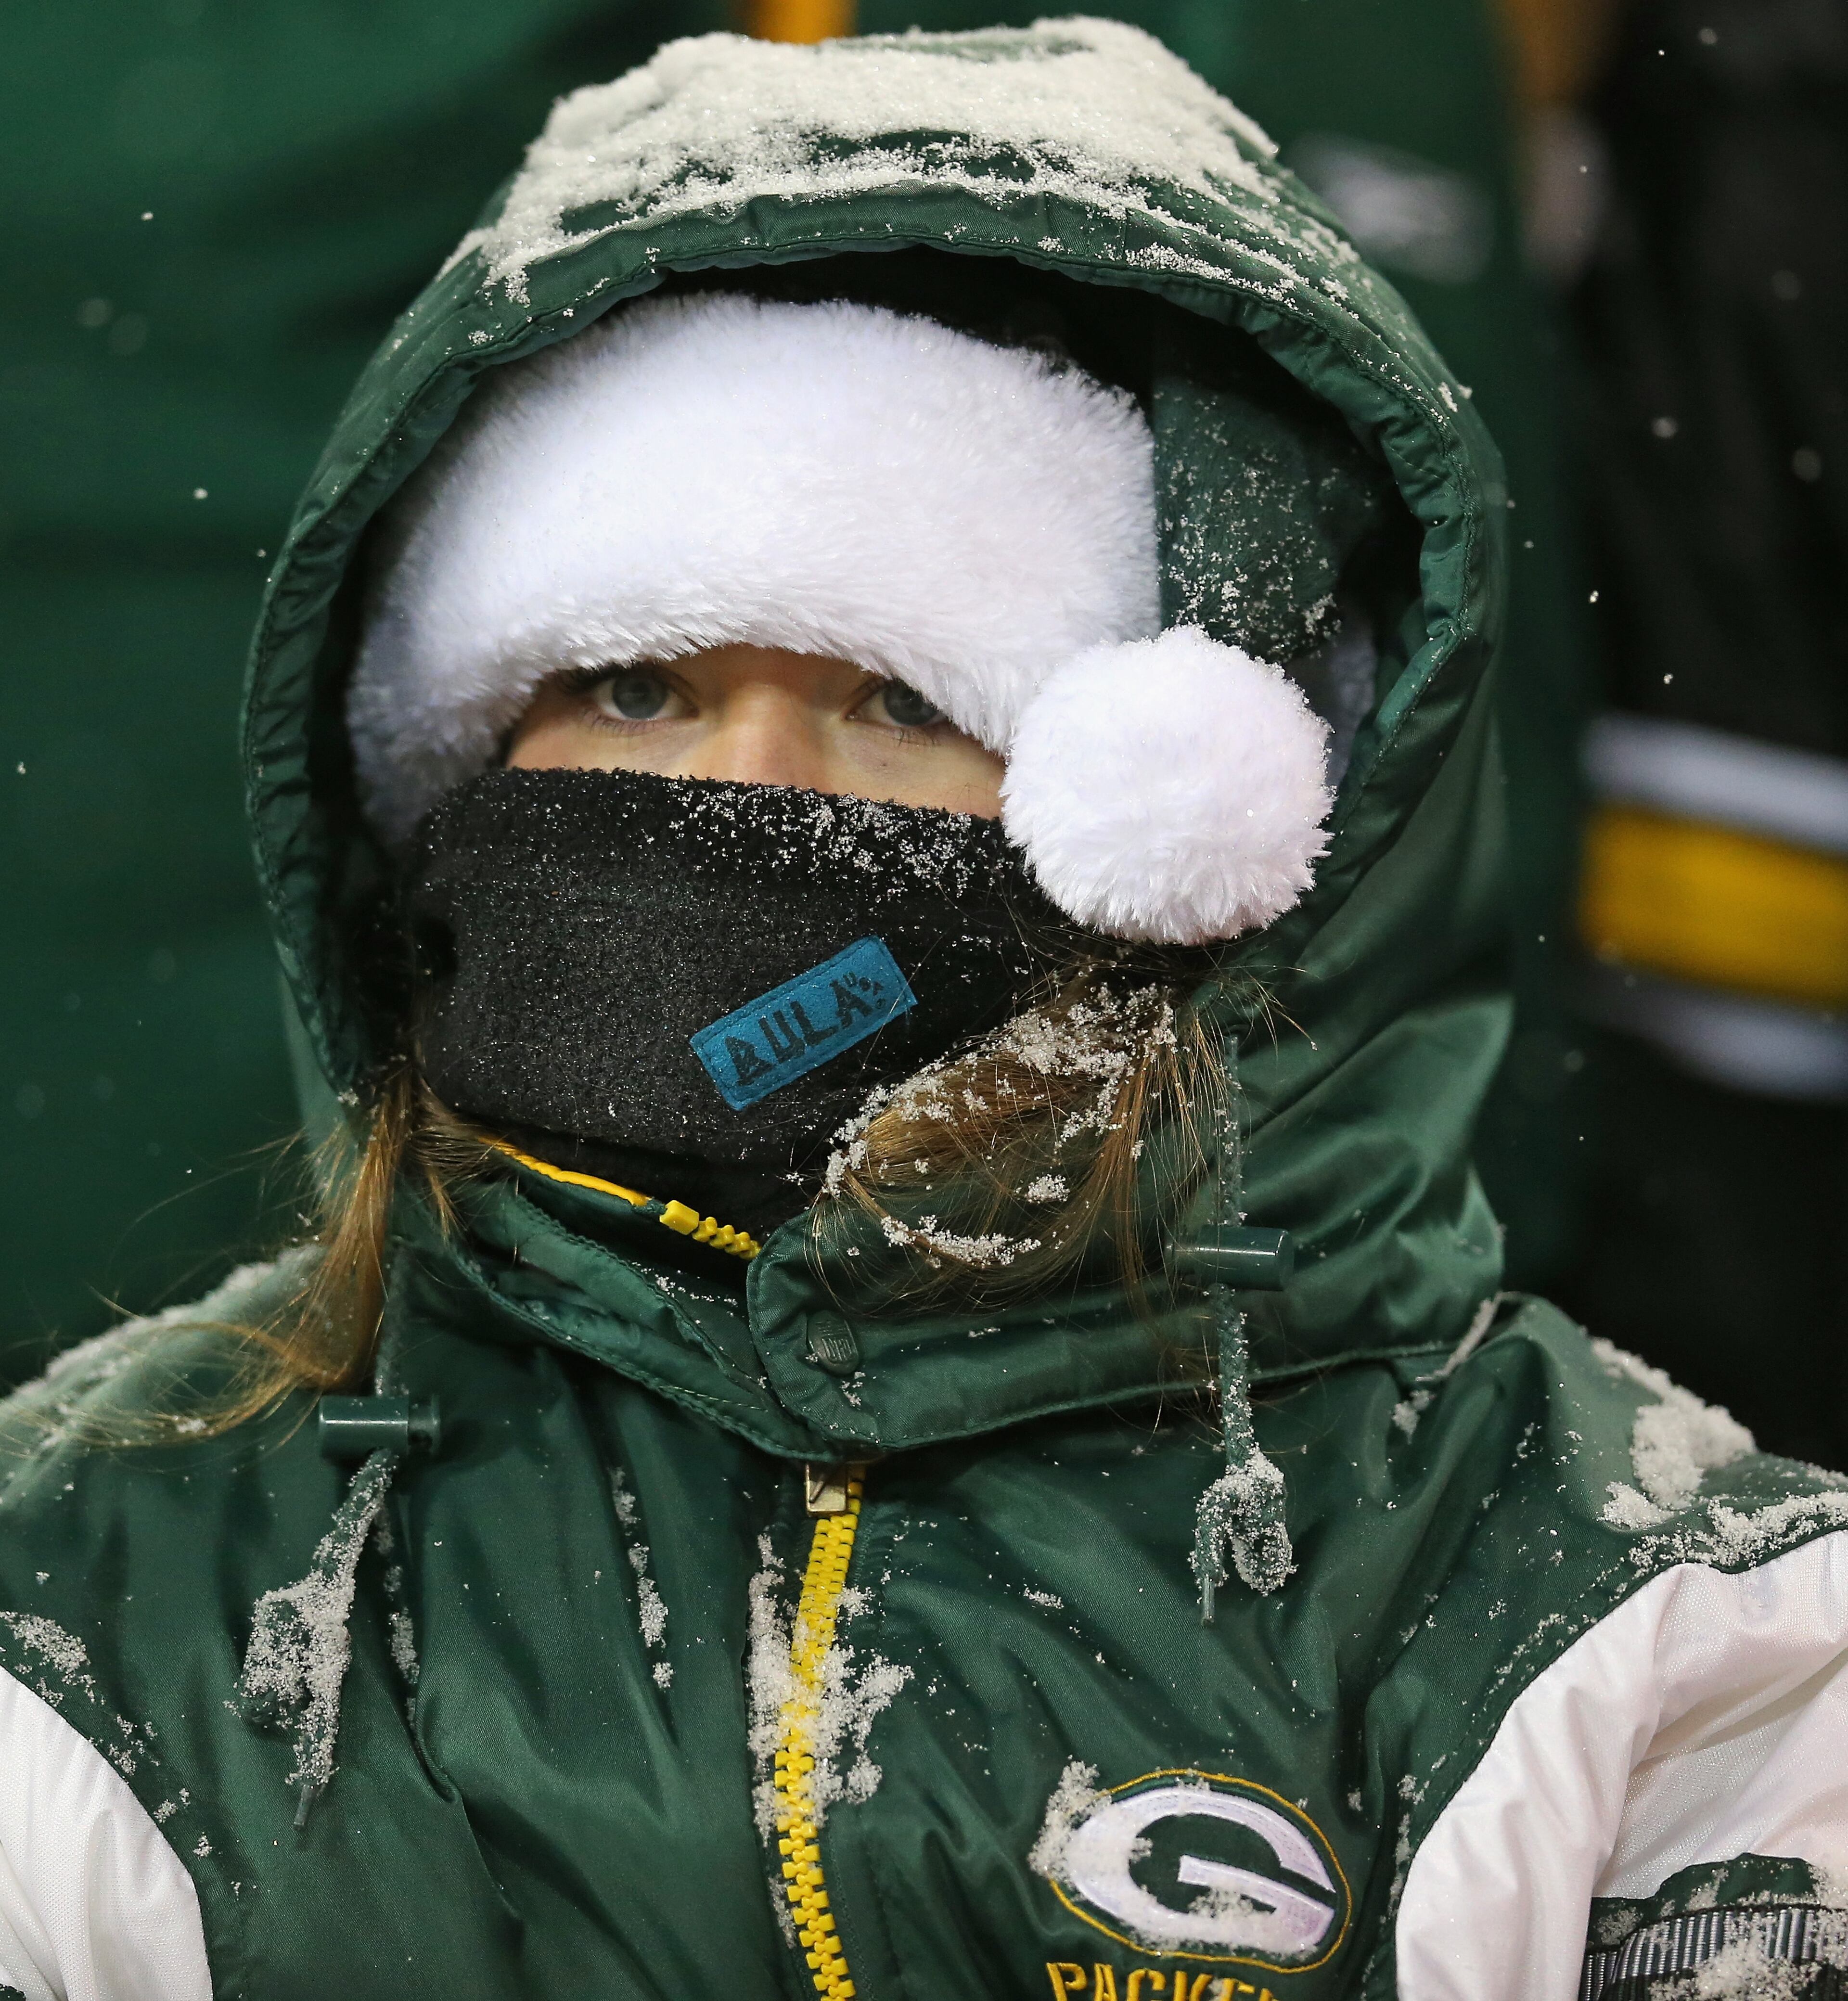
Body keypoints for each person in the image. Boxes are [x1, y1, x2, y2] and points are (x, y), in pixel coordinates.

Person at [0, 22, 1842, 2001]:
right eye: (634, 684)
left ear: (1177, 820)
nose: (753, 785)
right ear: (447, 780)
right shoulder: (114, 1586)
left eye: (902, 698)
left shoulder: (1624, 1615)